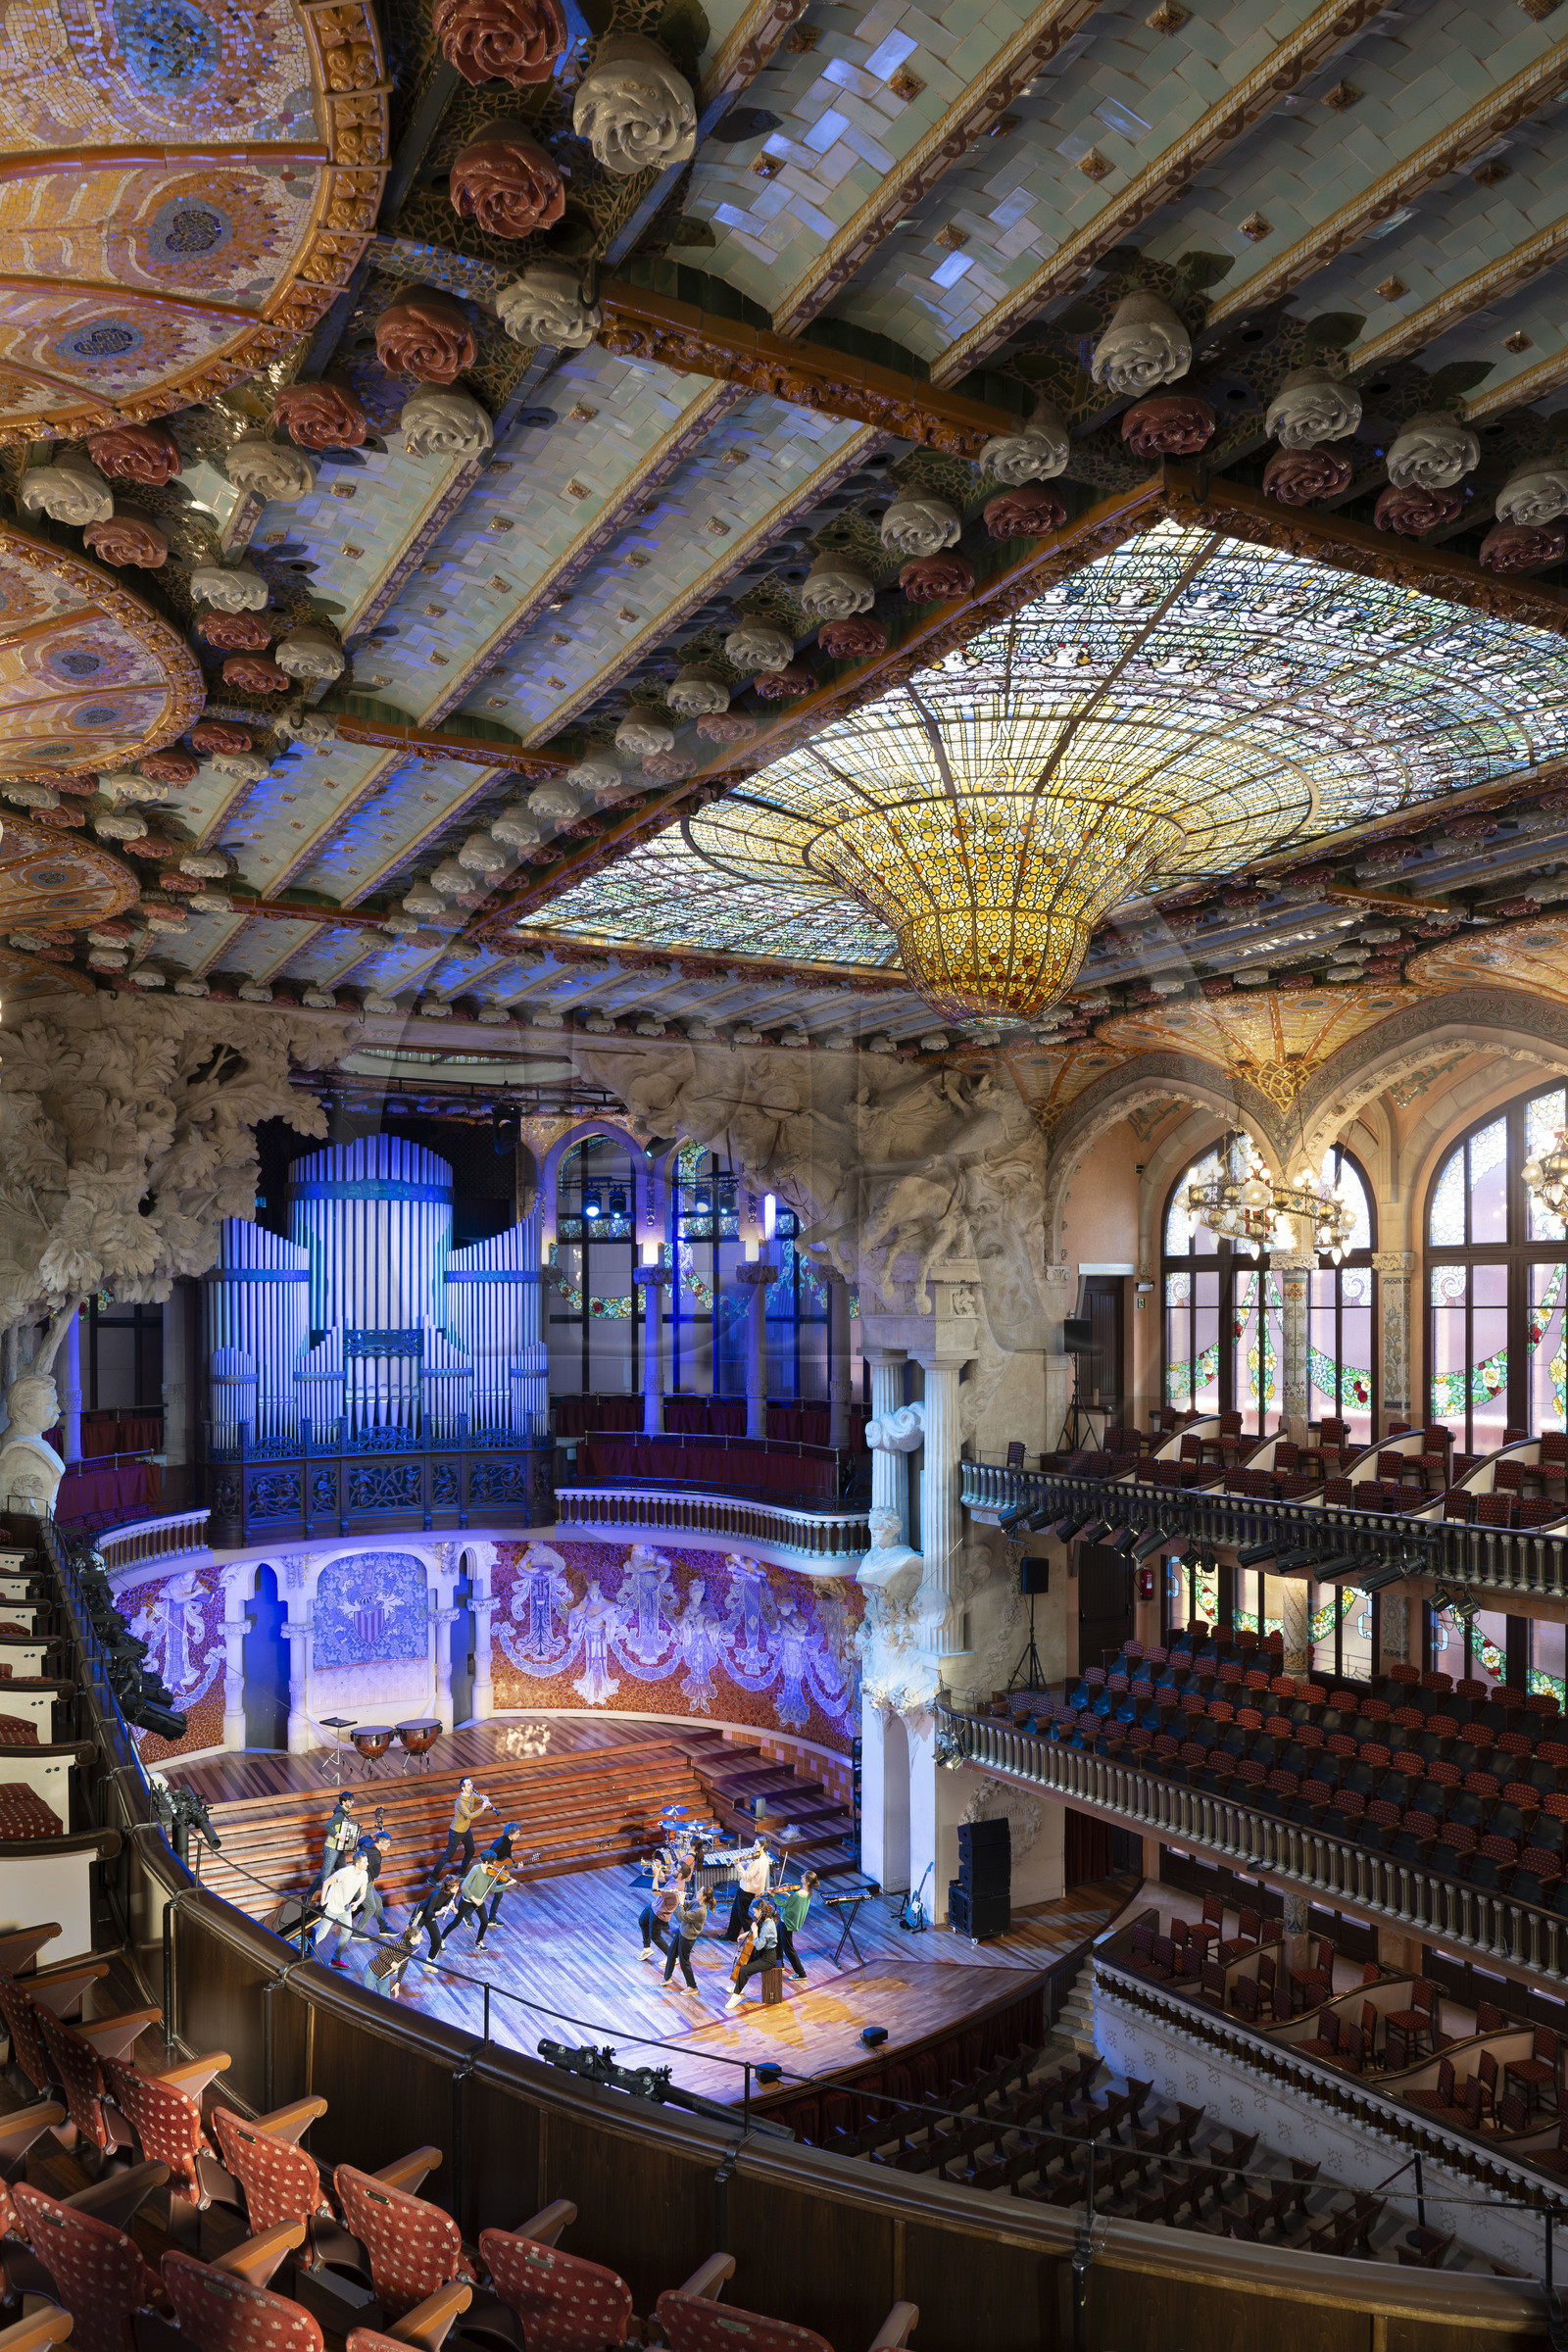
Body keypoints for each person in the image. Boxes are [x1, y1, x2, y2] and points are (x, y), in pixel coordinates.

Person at [315, 1848, 369, 1970]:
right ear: (357, 1863)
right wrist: (323, 1901)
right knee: (321, 1935)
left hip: (345, 1909)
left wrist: (357, 1903)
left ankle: (335, 1960)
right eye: (365, 1862)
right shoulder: (344, 1872)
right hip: (332, 1907)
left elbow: (363, 1894)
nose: (367, 1864)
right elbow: (326, 1883)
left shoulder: (364, 1875)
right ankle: (302, 1953)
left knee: (347, 1933)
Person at [725, 1896, 780, 2012]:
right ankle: (739, 1987)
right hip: (761, 1954)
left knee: (744, 1970)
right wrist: (746, 1934)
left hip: (768, 1959)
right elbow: (757, 1929)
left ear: (761, 1911)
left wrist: (754, 1931)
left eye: (755, 1912)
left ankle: (736, 1996)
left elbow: (759, 1945)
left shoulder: (768, 1926)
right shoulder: (764, 1920)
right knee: (744, 1962)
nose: (754, 1915)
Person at [410, 1872, 463, 1972]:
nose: (458, 1888)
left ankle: (429, 1963)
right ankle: (395, 1961)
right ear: (449, 1887)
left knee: (437, 1941)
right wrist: (440, 1912)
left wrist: (453, 1908)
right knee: (409, 1939)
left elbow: (455, 1911)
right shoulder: (435, 1894)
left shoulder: (452, 1894)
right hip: (420, 1915)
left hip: (431, 1917)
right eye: (456, 1886)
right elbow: (429, 1912)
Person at [662, 1882, 709, 1997]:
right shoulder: (696, 1902)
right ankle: (667, 1977)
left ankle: (692, 1986)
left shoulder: (701, 1910)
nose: (697, 1892)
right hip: (681, 1932)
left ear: (704, 1897)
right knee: (671, 1953)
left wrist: (681, 1903)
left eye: (700, 1892)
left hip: (688, 1938)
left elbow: (682, 1917)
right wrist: (678, 1896)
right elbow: (686, 1904)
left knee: (684, 1961)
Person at [441, 1776, 494, 1872]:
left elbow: (479, 1799)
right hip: (456, 1831)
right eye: (469, 1784)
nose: (471, 1786)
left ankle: (461, 1872)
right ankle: (432, 1877)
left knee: (471, 1850)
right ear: (463, 1788)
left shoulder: (471, 1795)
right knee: (448, 1855)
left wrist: (485, 1799)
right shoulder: (460, 1801)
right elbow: (469, 1816)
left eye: (471, 1783)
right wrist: (482, 1808)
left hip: (465, 1829)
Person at [456, 1854, 510, 1948]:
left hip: (479, 1901)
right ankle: (442, 1939)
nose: (495, 1863)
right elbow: (463, 1886)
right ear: (487, 1862)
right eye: (493, 1862)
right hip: (468, 1899)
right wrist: (474, 1899)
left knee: (484, 1922)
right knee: (456, 1922)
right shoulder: (476, 1869)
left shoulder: (491, 1873)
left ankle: (479, 1942)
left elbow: (494, 1889)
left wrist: (508, 1884)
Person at [639, 1854, 685, 1961]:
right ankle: (647, 1948)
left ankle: (672, 1958)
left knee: (656, 1937)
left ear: (681, 1874)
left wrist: (655, 1875)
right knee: (642, 1921)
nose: (674, 1869)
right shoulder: (675, 1876)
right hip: (655, 1906)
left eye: (677, 1869)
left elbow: (655, 1890)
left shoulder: (676, 1887)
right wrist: (659, 1869)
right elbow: (663, 1878)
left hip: (661, 1913)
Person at [724, 1838, 771, 1941]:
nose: (754, 1846)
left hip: (747, 1889)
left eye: (756, 1844)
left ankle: (753, 1936)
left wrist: (738, 1864)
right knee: (736, 1912)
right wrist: (744, 1863)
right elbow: (751, 1871)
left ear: (762, 1847)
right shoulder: (765, 1857)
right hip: (748, 1888)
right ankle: (731, 1935)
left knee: (743, 1915)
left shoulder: (758, 1861)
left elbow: (746, 1876)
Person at [777, 1871, 816, 1983]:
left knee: (788, 1949)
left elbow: (784, 1904)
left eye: (803, 1876)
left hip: (787, 1923)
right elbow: (795, 1902)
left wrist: (773, 1895)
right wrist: (788, 1895)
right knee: (776, 1939)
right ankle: (779, 1963)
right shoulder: (807, 1892)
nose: (801, 1876)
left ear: (807, 1882)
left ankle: (801, 1973)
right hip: (785, 1921)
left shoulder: (799, 1893)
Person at [316, 1792, 358, 1890]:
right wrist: (338, 1836)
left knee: (343, 1873)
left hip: (338, 1849)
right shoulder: (339, 1815)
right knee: (324, 1875)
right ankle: (310, 1896)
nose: (352, 1802)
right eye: (349, 1801)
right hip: (332, 1848)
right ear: (343, 1802)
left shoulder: (344, 1815)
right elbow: (327, 1826)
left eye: (352, 1800)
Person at [483, 1823, 521, 1929]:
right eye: (517, 1833)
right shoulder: (500, 1842)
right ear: (511, 1833)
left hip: (497, 1871)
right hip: (491, 1871)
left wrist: (516, 1864)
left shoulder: (509, 1841)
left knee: (498, 1894)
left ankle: (491, 1919)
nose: (518, 1835)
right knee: (482, 1894)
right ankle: (467, 1915)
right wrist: (495, 1867)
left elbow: (507, 1856)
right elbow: (489, 1856)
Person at [355, 1833, 393, 1939]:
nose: (388, 1845)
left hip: (363, 1880)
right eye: (387, 1843)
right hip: (362, 1883)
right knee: (371, 1908)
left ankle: (383, 1928)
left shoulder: (368, 1842)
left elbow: (362, 1839)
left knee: (378, 1902)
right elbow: (376, 1874)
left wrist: (377, 1832)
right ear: (380, 1843)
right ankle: (357, 1933)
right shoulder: (376, 1855)